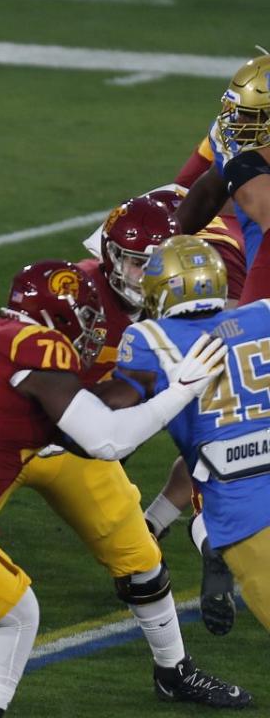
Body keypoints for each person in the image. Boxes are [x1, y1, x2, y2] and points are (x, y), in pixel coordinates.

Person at [0, 200, 251, 716]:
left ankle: (173, 670)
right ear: (107, 257)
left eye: (152, 264)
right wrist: (172, 389)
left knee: (135, 557)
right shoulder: (70, 304)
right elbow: (103, 423)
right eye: (133, 260)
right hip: (26, 438)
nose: (141, 273)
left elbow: (107, 421)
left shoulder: (165, 310)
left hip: (66, 437)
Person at [107, 235, 270, 636]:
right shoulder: (264, 314)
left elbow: (113, 414)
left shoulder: (149, 340)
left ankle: (203, 539)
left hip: (244, 515)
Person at [176, 54, 270, 301]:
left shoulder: (243, 160)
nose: (239, 123)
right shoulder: (239, 148)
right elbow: (210, 192)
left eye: (252, 116)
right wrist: (166, 242)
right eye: (238, 112)